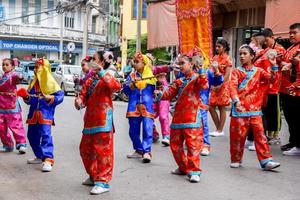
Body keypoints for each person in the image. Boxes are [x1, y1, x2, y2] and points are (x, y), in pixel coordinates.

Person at [154, 54, 208, 183]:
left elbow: (204, 85)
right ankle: (183, 167)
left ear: (191, 64)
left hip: (192, 117)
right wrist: (160, 92)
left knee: (192, 146)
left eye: (182, 63)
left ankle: (194, 170)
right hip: (178, 117)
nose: (180, 66)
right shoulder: (178, 81)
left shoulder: (197, 78)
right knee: (175, 145)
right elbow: (168, 94)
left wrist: (201, 69)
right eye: (178, 63)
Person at [75, 54, 121, 195]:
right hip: (89, 119)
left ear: (101, 61)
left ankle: (103, 181)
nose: (91, 62)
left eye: (94, 59)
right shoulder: (90, 80)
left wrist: (101, 71)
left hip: (103, 118)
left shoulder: (108, 75)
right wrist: (79, 101)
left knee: (103, 151)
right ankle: (94, 175)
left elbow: (116, 86)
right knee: (85, 149)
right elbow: (83, 95)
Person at [229, 45, 280, 170]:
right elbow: (232, 87)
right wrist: (236, 100)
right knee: (237, 137)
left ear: (252, 56)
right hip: (240, 109)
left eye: (245, 53)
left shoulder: (259, 71)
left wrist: (273, 65)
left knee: (260, 136)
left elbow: (272, 80)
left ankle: (266, 161)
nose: (241, 56)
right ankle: (236, 158)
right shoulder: (236, 71)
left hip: (255, 110)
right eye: (240, 53)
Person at [21, 58, 64, 172]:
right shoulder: (33, 83)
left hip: (46, 115)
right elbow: (30, 100)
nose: (35, 70)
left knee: (46, 136)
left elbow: (60, 96)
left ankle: (48, 159)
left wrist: (52, 98)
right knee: (31, 136)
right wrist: (26, 96)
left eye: (37, 67)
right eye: (35, 67)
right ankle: (39, 156)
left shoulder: (51, 83)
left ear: (44, 68)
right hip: (33, 115)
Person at [123, 52, 156, 163]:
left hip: (147, 107)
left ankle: (147, 151)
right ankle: (138, 150)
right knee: (133, 131)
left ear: (144, 63)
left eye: (137, 62)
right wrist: (130, 86)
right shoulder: (131, 76)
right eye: (134, 62)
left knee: (148, 129)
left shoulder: (152, 77)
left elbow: (156, 91)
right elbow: (125, 91)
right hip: (133, 107)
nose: (134, 64)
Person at [191, 51, 224, 156]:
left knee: (203, 123)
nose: (198, 59)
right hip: (189, 103)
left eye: (201, 57)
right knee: (190, 124)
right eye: (196, 57)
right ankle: (192, 142)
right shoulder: (189, 72)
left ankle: (206, 144)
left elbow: (218, 82)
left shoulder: (208, 72)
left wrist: (216, 70)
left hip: (202, 102)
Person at [261, 28, 286, 145]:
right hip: (267, 85)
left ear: (272, 37)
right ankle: (270, 134)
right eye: (264, 41)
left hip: (276, 85)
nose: (265, 43)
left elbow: (284, 64)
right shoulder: (266, 50)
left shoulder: (280, 49)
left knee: (275, 111)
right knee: (268, 111)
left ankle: (276, 135)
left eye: (266, 40)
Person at [281, 23, 300, 155]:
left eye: (294, 32)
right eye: (290, 33)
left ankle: (298, 145)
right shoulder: (291, 47)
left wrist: (295, 63)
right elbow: (286, 62)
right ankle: (293, 141)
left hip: (296, 89)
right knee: (290, 117)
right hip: (286, 87)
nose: (291, 35)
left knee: (296, 117)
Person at [0, 58, 27, 153]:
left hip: (12, 106)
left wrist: (20, 76)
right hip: (1, 106)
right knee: (1, 128)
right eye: (3, 64)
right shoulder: (2, 76)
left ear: (12, 67)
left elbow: (18, 78)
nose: (4, 66)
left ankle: (21, 144)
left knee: (16, 126)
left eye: (7, 65)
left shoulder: (13, 76)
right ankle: (8, 145)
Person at [209, 39, 232, 137]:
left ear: (225, 48)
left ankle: (219, 130)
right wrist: (212, 84)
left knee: (222, 107)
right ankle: (219, 128)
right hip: (214, 85)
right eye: (216, 46)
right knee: (210, 106)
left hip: (223, 86)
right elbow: (211, 72)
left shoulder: (228, 59)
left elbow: (227, 75)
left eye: (219, 46)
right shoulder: (214, 58)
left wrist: (220, 85)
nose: (217, 48)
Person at [152, 65, 171, 146]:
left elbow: (162, 68)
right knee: (149, 116)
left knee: (163, 116)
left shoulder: (155, 69)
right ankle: (154, 134)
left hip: (163, 95)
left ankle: (166, 136)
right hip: (153, 97)